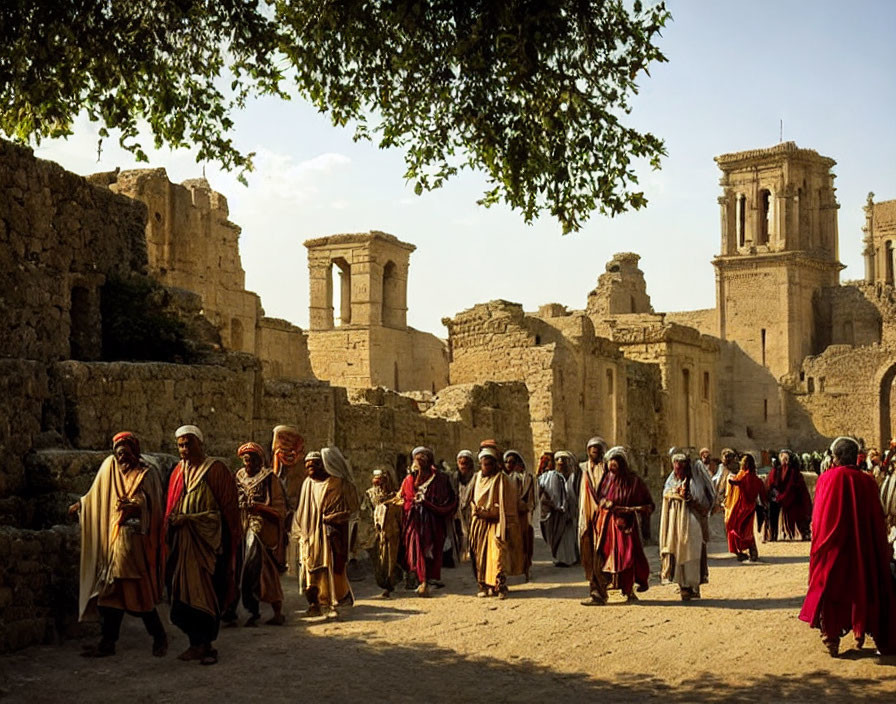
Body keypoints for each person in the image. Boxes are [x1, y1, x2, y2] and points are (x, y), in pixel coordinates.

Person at [69, 431, 167, 658]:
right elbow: (97, 495)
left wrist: (136, 506)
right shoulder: (111, 470)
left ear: (134, 452)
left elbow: (154, 507)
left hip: (133, 543)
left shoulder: (146, 474)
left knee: (138, 595)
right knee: (109, 594)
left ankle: (159, 637)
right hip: (113, 542)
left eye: (125, 453)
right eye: (118, 454)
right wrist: (81, 506)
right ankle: (108, 642)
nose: (122, 458)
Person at [799, 436, 896, 657]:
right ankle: (861, 631)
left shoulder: (826, 479)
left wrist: (819, 549)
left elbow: (821, 520)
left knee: (830, 591)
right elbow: (877, 519)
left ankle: (831, 637)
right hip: (863, 549)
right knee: (866, 588)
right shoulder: (868, 481)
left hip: (834, 550)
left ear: (836, 457)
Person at [165, 425, 240, 666]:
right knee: (181, 596)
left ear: (200, 444)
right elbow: (172, 504)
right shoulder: (178, 471)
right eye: (181, 445)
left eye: (189, 444)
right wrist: (174, 521)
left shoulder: (215, 470)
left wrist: (192, 520)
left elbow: (225, 512)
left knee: (206, 595)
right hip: (182, 544)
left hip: (208, 545)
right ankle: (193, 643)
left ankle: (207, 646)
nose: (185, 449)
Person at [580, 446, 654, 605]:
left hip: (625, 527)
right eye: (610, 461)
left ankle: (628, 590)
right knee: (601, 558)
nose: (612, 464)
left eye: (616, 461)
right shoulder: (606, 479)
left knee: (627, 558)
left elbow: (647, 503)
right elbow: (600, 498)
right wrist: (604, 504)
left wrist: (635, 509)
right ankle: (598, 594)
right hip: (606, 525)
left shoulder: (633, 481)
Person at [292, 448, 355, 617]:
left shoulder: (336, 483)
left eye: (314, 465)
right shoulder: (307, 484)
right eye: (307, 466)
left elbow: (349, 510)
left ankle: (331, 601)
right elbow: (301, 510)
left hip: (330, 534)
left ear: (323, 465)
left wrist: (334, 518)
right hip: (310, 533)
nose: (310, 469)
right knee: (309, 568)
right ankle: (314, 603)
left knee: (330, 567)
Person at [235, 442, 287, 626]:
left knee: (261, 571)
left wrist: (259, 508)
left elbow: (279, 508)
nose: (247, 464)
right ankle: (250, 611)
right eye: (245, 460)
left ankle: (276, 611)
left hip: (262, 531)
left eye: (251, 460)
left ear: (259, 461)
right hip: (243, 526)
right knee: (241, 568)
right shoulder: (239, 476)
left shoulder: (268, 478)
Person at [399, 446, 457, 596]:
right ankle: (421, 578)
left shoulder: (440, 479)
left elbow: (448, 499)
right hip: (414, 519)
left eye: (423, 459)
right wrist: (412, 503)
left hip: (434, 520)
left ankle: (431, 576)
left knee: (433, 548)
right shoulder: (409, 479)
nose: (420, 462)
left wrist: (430, 504)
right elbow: (403, 497)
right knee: (416, 547)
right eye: (418, 460)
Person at [659, 453, 714, 600]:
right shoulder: (671, 482)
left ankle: (693, 585)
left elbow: (706, 503)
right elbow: (667, 495)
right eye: (676, 464)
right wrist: (675, 493)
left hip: (693, 522)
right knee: (678, 553)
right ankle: (683, 585)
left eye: (681, 464)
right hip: (675, 524)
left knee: (693, 554)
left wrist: (689, 499)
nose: (678, 467)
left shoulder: (696, 483)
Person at [469, 448, 514, 598]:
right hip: (479, 523)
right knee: (480, 555)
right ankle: (484, 585)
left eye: (489, 464)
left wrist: (490, 512)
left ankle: (499, 586)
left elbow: (505, 503)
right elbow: (471, 499)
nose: (486, 467)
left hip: (496, 523)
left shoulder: (501, 479)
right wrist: (476, 511)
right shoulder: (476, 478)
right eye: (483, 464)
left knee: (497, 555)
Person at [366, 468, 403, 597]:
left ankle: (390, 584)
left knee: (391, 560)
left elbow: (400, 514)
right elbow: (365, 513)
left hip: (393, 532)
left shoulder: (395, 496)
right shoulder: (369, 495)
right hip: (377, 533)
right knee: (380, 560)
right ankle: (384, 582)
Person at [538, 450, 578, 566]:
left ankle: (570, 558)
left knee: (569, 534)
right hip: (558, 511)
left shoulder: (573, 476)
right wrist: (558, 506)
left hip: (570, 509)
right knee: (560, 535)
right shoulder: (552, 477)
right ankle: (560, 558)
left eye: (564, 461)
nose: (561, 463)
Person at [725, 454, 768, 562]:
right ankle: (752, 551)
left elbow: (735, 482)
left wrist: (729, 480)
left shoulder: (742, 476)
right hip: (750, 508)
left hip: (739, 508)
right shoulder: (756, 479)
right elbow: (762, 493)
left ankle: (740, 552)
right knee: (747, 531)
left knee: (735, 528)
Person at [767, 449, 812, 541]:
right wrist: (777, 495)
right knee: (774, 514)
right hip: (778, 498)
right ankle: (774, 534)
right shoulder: (776, 470)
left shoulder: (795, 473)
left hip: (793, 499)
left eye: (786, 458)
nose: (784, 460)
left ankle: (798, 533)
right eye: (782, 457)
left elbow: (795, 486)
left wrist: (784, 496)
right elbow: (771, 483)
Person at [505, 450, 536, 580]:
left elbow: (531, 498)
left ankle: (526, 569)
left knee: (525, 543)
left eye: (511, 462)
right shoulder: (503, 478)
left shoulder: (527, 478)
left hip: (523, 516)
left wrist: (525, 507)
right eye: (506, 462)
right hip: (510, 516)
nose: (508, 465)